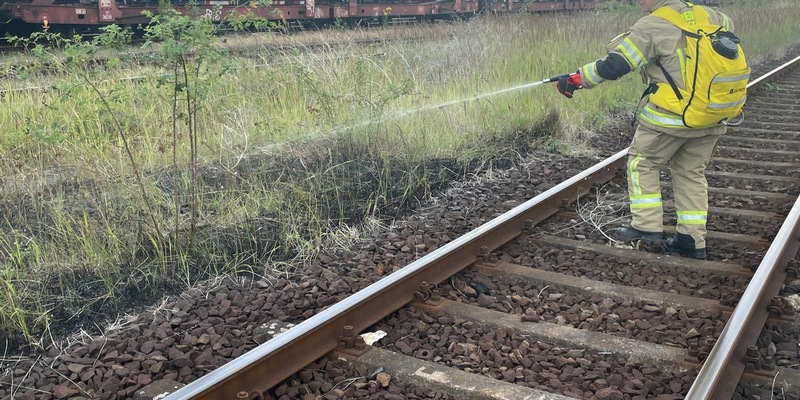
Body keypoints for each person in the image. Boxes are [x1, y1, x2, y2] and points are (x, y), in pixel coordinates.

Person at [555, 0, 739, 260]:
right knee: (691, 172)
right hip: (711, 114)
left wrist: (576, 79)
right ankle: (692, 240)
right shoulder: (716, 16)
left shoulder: (653, 24)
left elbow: (616, 65)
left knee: (642, 162)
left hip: (671, 116)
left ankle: (645, 227)